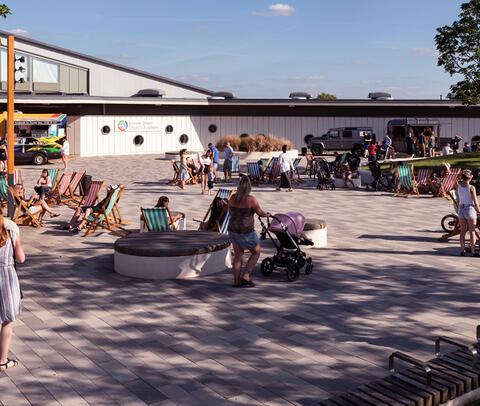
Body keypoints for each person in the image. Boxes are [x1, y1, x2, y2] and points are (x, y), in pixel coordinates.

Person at [228, 176, 269, 287]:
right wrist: (267, 214)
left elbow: (230, 212)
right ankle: (246, 275)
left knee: (238, 256)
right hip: (246, 232)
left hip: (233, 230)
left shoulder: (232, 198)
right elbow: (260, 213)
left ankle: (236, 282)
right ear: (249, 187)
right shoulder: (251, 200)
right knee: (256, 252)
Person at [0, 210, 26, 371]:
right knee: (7, 321)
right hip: (7, 276)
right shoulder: (10, 229)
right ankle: (2, 360)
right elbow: (21, 258)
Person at [456, 169, 480, 256]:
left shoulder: (458, 186)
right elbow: (475, 201)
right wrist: (479, 211)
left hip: (461, 209)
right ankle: (473, 251)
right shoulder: (471, 187)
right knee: (472, 231)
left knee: (462, 231)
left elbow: (458, 200)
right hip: (470, 209)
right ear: (470, 177)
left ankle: (462, 250)